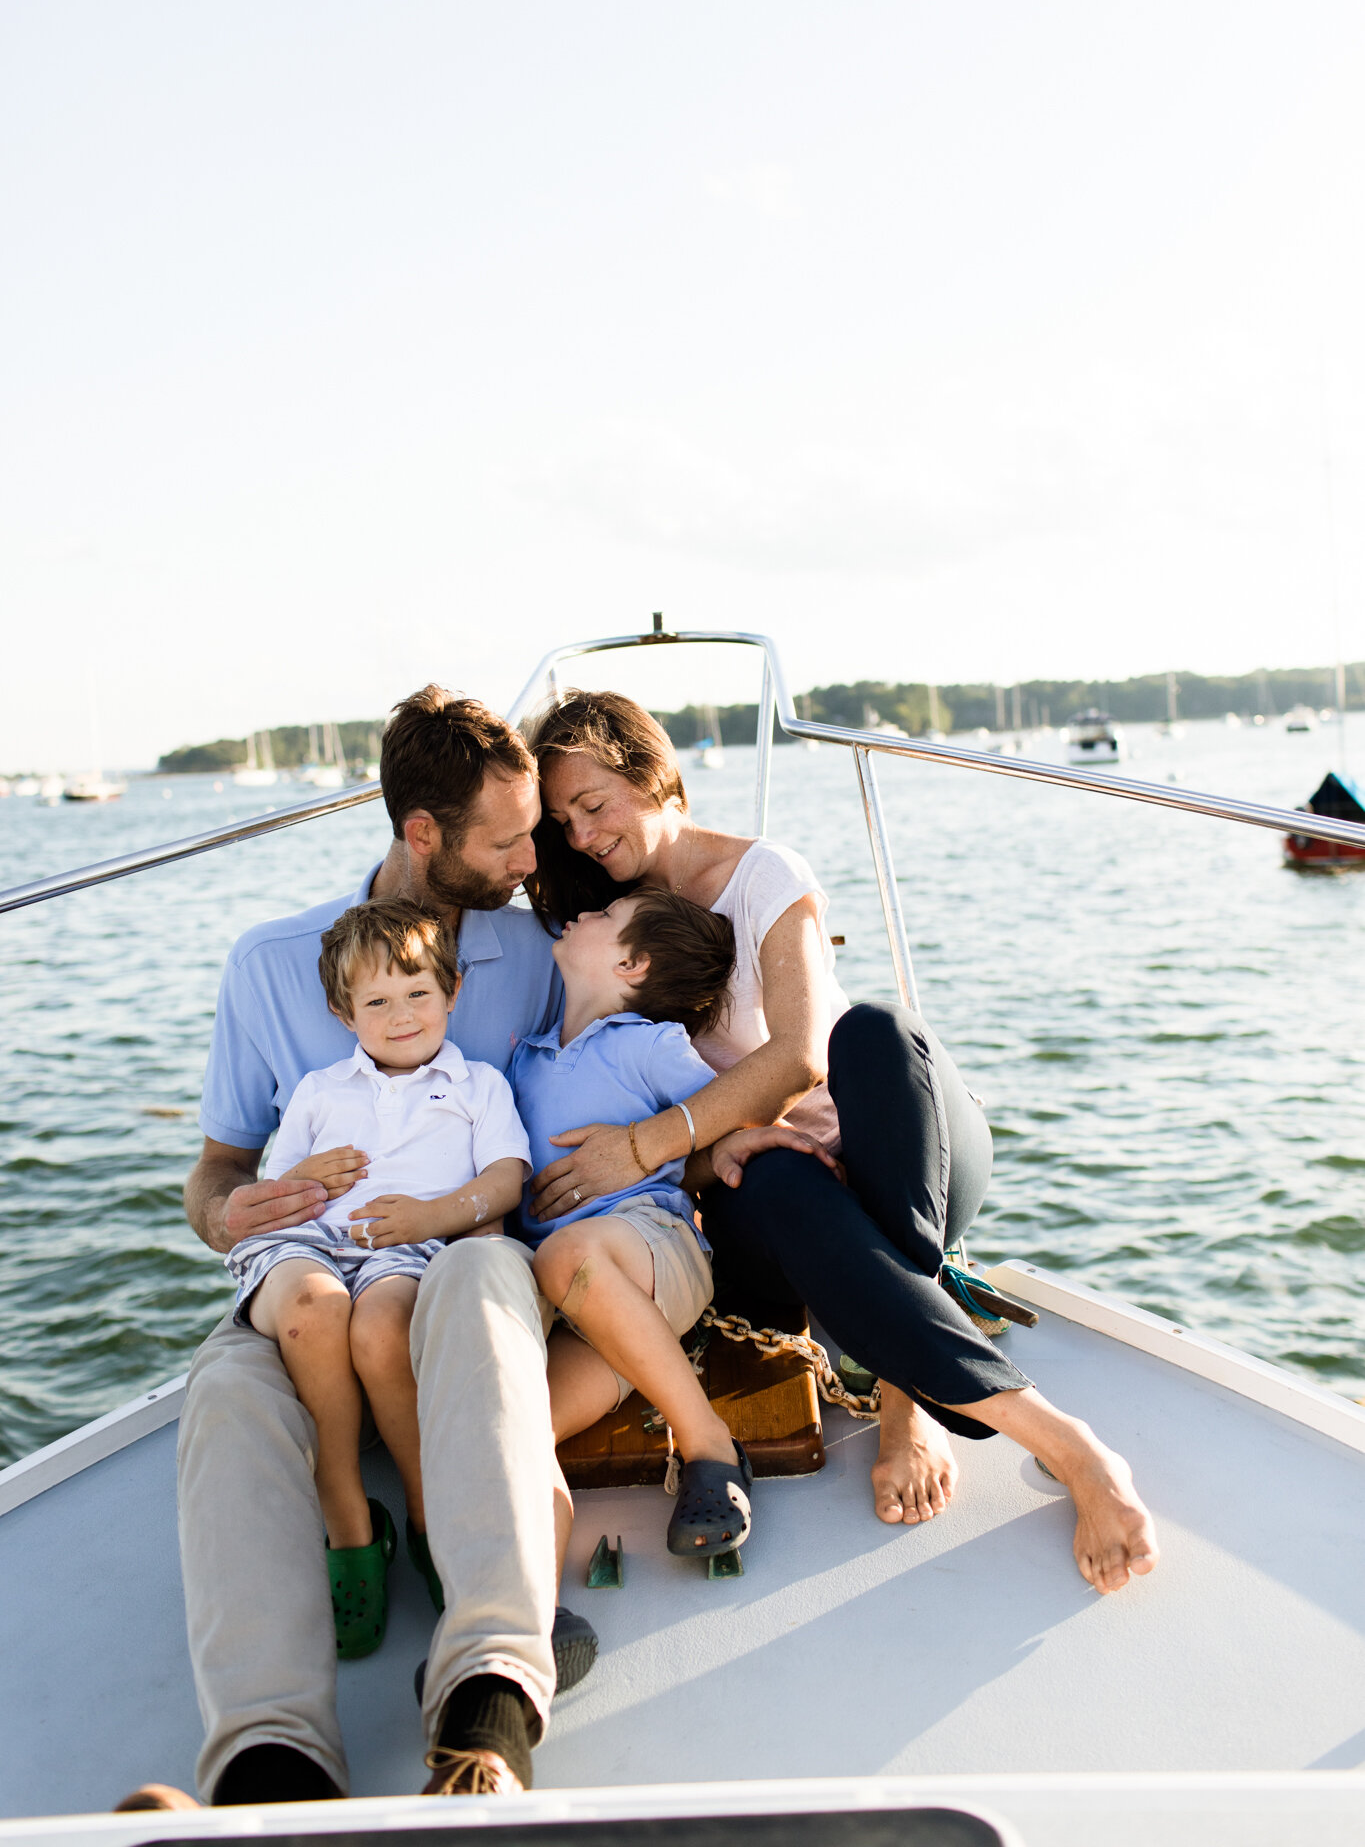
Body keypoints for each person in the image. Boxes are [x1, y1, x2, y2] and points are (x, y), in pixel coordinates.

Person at [526, 690, 1159, 1599]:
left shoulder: (763, 875)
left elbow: (798, 1052)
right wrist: (710, 1149)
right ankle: (1075, 1449)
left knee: (872, 1030)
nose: (582, 836)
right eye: (563, 822)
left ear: (653, 772)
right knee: (767, 1171)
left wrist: (649, 1143)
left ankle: (906, 1397)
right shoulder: (610, 929)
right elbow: (678, 1136)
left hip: (896, 1148)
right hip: (781, 1196)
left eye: (594, 806)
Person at [133, 687, 583, 1810]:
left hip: (464, 1261)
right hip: (318, 1272)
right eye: (511, 836)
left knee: (480, 1270)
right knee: (230, 1385)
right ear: (422, 834)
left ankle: (486, 1704)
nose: (541, 852)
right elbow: (217, 1170)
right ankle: (268, 1767)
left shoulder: (537, 951)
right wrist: (231, 1213)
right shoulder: (270, 963)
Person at [225, 897, 532, 1660]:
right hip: (313, 1242)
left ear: (452, 993)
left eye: (418, 994)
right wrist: (301, 1174)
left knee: (382, 1326)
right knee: (311, 1312)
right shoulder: (320, 1091)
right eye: (377, 1002)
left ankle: (427, 1510)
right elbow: (273, 1192)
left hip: (409, 1247)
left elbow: (505, 1179)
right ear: (343, 1013)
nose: (401, 1016)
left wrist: (436, 1215)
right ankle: (349, 1522)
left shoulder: (477, 1086)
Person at [514, 888, 754, 1561]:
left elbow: (728, 1112)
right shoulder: (523, 1057)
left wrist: (733, 1142)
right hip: (578, 1309)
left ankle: (708, 1446)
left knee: (567, 1254)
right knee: (514, 1429)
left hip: (649, 1252)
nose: (583, 911)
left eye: (606, 917)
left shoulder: (647, 1045)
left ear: (632, 965)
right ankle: (537, 1605)